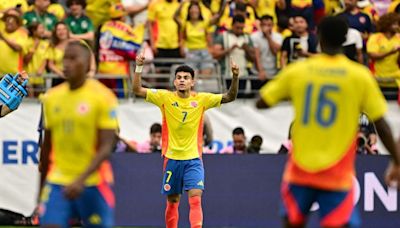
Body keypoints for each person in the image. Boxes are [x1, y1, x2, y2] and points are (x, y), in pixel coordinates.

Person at [256, 16, 400, 227]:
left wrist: (296, 93)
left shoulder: (299, 71)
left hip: (301, 169)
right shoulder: (359, 75)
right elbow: (382, 124)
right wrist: (397, 161)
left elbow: (262, 102)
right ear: (344, 39)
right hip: (337, 172)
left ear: (317, 36)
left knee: (292, 221)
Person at [133, 52, 240, 228]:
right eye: (179, 77)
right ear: (174, 82)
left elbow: (230, 96)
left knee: (195, 199)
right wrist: (139, 67)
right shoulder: (164, 97)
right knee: (173, 201)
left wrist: (235, 77)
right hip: (172, 158)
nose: (182, 80)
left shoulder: (202, 99)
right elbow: (137, 90)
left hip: (193, 159)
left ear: (192, 82)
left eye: (186, 77)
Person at [38, 40, 119, 227]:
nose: (66, 63)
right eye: (65, 58)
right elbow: (47, 147)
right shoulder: (51, 98)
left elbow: (106, 147)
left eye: (73, 58)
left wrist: (80, 180)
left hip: (93, 181)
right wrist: (40, 194)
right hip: (58, 181)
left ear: (88, 63)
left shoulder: (104, 97)